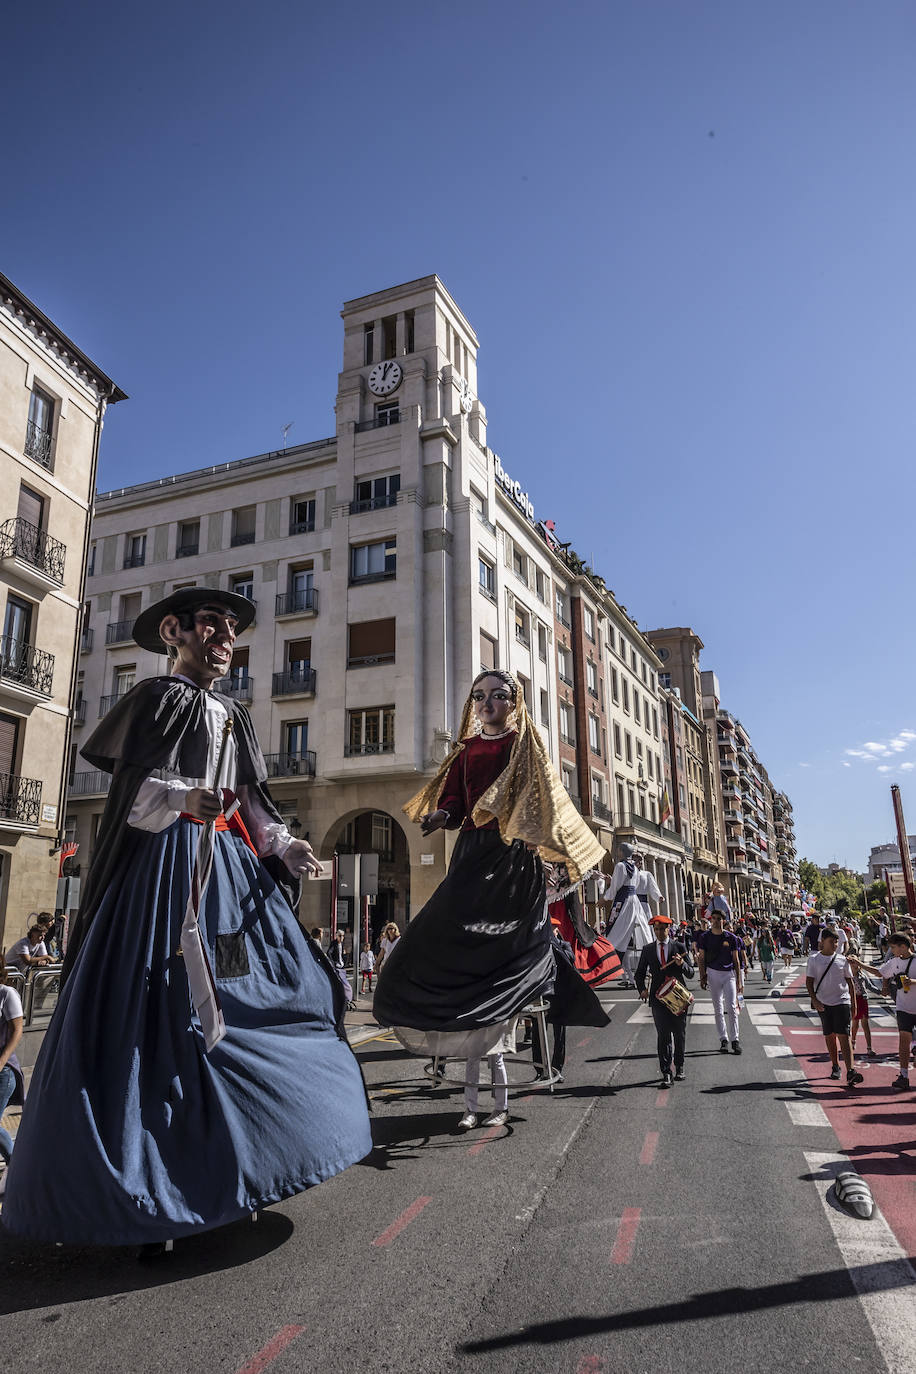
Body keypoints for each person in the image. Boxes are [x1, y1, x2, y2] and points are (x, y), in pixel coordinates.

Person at [2, 589, 371, 1250]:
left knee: (242, 1003)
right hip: (162, 875)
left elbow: (251, 805)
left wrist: (284, 844)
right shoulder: (155, 699)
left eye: (232, 628)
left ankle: (242, 1165)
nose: (226, 636)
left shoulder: (235, 714)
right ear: (174, 632)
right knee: (157, 1015)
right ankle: (151, 1192)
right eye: (213, 624)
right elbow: (132, 797)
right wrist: (180, 796)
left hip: (224, 878)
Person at [374, 669, 608, 1131]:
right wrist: (444, 814)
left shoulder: (524, 747)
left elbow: (545, 800)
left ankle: (523, 991)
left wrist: (549, 851)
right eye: (479, 696)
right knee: (437, 929)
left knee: (510, 939)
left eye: (497, 696)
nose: (486, 703)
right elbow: (456, 798)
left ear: (513, 703)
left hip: (512, 857)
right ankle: (439, 1005)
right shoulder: (466, 751)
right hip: (470, 855)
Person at [851, 932, 916, 1091]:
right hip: (903, 1007)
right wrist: (859, 964)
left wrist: (912, 981)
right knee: (904, 1040)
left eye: (893, 947)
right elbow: (879, 972)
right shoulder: (894, 962)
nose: (891, 950)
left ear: (903, 946)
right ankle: (903, 1075)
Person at [635, 914, 695, 1087]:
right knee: (663, 1035)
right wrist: (643, 990)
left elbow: (690, 973)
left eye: (663, 929)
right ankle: (666, 1071)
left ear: (669, 929)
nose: (660, 932)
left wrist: (681, 964)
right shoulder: (647, 949)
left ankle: (680, 1066)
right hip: (658, 998)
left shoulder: (679, 946)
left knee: (679, 1033)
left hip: (678, 996)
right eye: (657, 929)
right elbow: (639, 973)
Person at [545, 863, 622, 989]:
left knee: (573, 936)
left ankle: (569, 975)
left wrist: (590, 874)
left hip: (564, 904)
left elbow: (573, 872)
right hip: (551, 903)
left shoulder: (563, 865)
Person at [806, 929, 863, 1088]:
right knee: (830, 1036)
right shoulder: (814, 960)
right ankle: (835, 1066)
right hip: (823, 1003)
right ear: (822, 941)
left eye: (837, 942)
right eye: (832, 941)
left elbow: (850, 983)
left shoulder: (842, 960)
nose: (835, 945)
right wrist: (814, 1000)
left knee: (843, 1035)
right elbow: (809, 982)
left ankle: (851, 1071)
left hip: (842, 1001)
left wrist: (854, 1004)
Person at [604, 843, 655, 980]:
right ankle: (650, 961)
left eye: (618, 849)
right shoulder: (635, 868)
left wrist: (605, 898)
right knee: (642, 931)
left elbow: (616, 886)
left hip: (623, 900)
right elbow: (635, 885)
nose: (617, 851)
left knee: (615, 931)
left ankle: (609, 964)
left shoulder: (620, 866)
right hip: (634, 900)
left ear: (621, 851)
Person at [697, 909, 743, 1053]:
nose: (715, 921)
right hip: (713, 973)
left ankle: (735, 1039)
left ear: (724, 920)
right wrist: (702, 975)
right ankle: (723, 1039)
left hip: (728, 974)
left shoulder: (731, 938)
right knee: (718, 1008)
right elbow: (701, 958)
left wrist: (739, 980)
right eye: (713, 918)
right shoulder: (705, 937)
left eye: (718, 918)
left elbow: (736, 960)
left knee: (731, 1007)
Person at [0, 953, 25, 1195]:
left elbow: (17, 1030)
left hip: (3, 1071)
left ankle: (16, 1164)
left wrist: (1, 1061)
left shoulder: (7, 993)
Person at [847, 944, 876, 1057]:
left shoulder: (862, 976)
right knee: (855, 1024)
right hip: (853, 1001)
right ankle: (852, 1042)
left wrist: (882, 992)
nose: (854, 965)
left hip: (863, 1000)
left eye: (855, 963)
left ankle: (869, 1048)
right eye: (851, 963)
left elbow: (870, 986)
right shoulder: (846, 977)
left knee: (865, 1024)